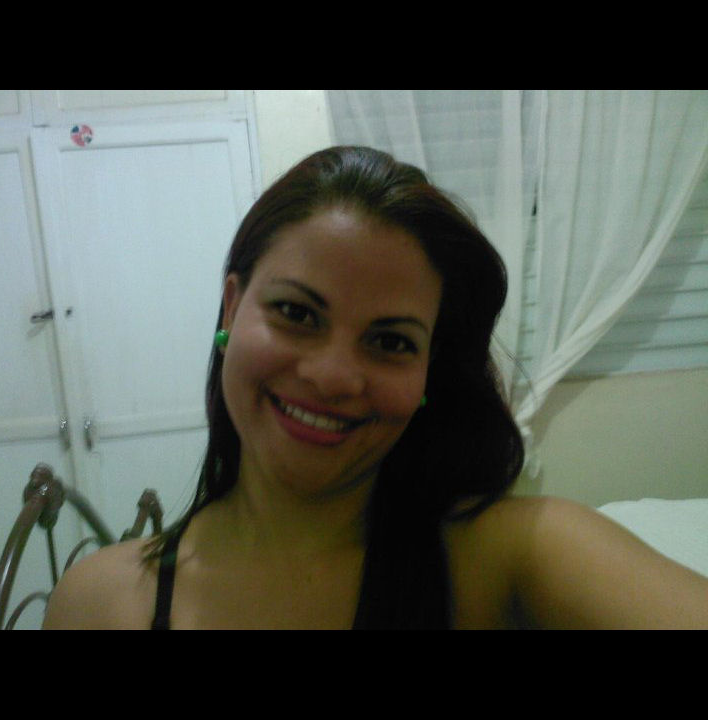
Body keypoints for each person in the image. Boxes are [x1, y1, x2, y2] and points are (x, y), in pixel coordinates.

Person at [43, 146, 708, 629]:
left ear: (427, 373)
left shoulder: (511, 555)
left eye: (391, 342)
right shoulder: (99, 602)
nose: (333, 376)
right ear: (232, 307)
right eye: (297, 313)